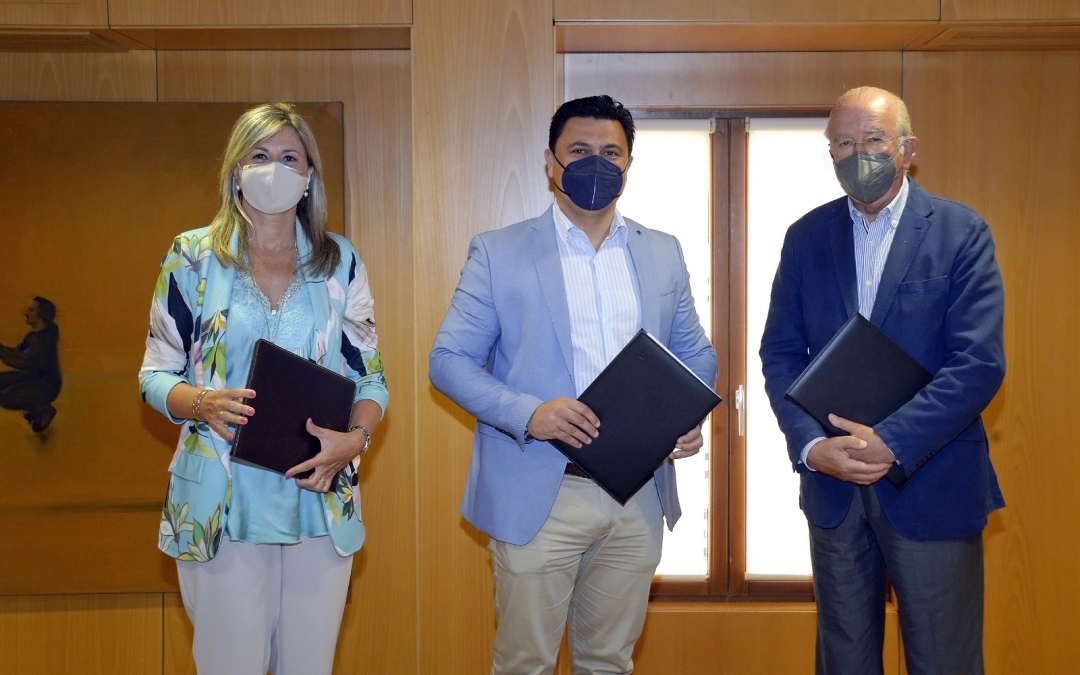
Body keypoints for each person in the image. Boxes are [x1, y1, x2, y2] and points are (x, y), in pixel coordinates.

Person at [430, 95, 717, 675]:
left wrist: (685, 418)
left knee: (610, 662)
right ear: (550, 161)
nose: (596, 164)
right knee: (525, 665)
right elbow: (449, 360)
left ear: (629, 163)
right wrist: (529, 413)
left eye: (611, 153)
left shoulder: (663, 251)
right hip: (540, 488)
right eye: (580, 150)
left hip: (637, 494)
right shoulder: (499, 251)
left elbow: (696, 354)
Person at [759, 86, 1005, 675]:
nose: (857, 154)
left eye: (873, 139)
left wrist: (891, 440)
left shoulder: (960, 232)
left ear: (907, 149)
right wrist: (811, 447)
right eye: (843, 143)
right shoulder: (806, 237)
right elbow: (781, 355)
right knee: (843, 660)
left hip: (934, 484)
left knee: (944, 661)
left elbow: (977, 363)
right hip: (834, 487)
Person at [139, 102, 387, 675]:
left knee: (310, 666)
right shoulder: (191, 257)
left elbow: (371, 378)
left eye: (289, 157)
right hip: (221, 502)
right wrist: (201, 402)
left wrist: (356, 440)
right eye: (260, 155)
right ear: (236, 170)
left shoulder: (340, 261)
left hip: (318, 496)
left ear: (309, 176)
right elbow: (154, 375)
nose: (275, 167)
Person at [0, 297, 62, 432]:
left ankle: (43, 409)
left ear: (41, 315)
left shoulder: (44, 341)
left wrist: (1, 351)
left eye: (31, 310)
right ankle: (35, 407)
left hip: (46, 385)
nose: (26, 313)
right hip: (31, 377)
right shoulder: (32, 336)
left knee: (5, 399)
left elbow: (24, 361)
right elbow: (19, 353)